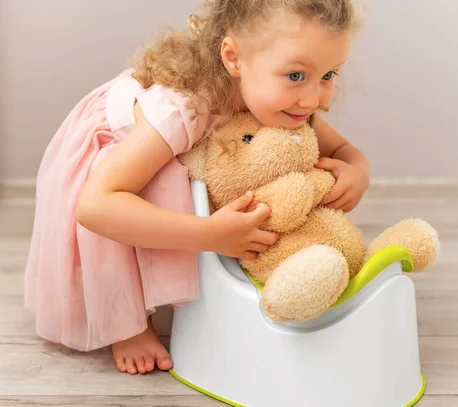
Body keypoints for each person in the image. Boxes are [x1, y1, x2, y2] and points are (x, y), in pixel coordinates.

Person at [24, 0, 370, 376]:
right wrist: (209, 234)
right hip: (108, 168)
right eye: (297, 76)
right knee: (162, 183)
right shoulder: (182, 111)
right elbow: (95, 206)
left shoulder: (287, 100)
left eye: (329, 75)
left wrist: (357, 170)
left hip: (148, 157)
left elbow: (346, 151)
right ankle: (127, 323)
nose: (314, 99)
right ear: (234, 59)